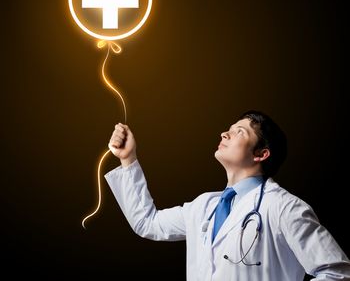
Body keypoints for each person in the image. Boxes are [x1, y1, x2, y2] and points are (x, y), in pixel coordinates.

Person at [104, 110, 350, 280]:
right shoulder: (204, 206)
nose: (225, 134)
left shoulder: (284, 207)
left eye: (240, 132)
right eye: (228, 130)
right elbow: (147, 223)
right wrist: (128, 158)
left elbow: (336, 273)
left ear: (261, 154)